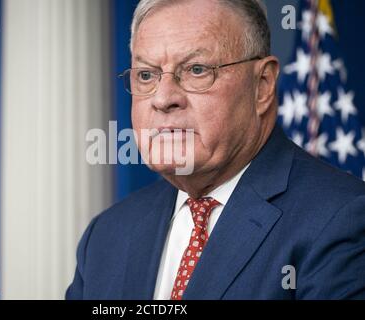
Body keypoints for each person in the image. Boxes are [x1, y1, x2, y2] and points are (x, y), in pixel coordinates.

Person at [66, 0, 365, 299]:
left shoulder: (342, 220)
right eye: (146, 75)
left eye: (196, 70)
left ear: (262, 85)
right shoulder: (106, 235)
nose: (163, 98)